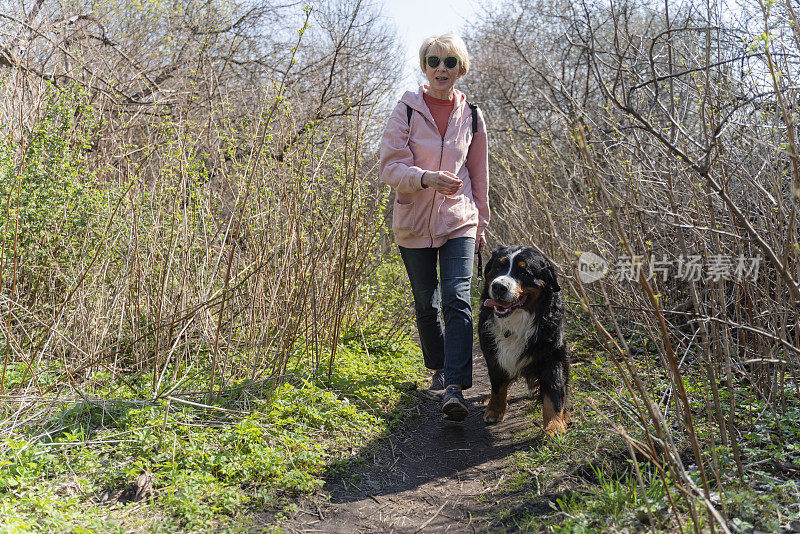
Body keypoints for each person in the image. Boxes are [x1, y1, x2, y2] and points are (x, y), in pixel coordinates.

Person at [379, 34, 489, 422]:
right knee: (427, 303)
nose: (441, 68)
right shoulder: (406, 110)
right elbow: (389, 167)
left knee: (457, 297)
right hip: (412, 221)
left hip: (459, 218)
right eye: (433, 60)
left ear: (461, 68)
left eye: (449, 61)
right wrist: (425, 178)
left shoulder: (472, 116)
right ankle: (439, 368)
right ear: (424, 67)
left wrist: (480, 222)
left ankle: (455, 387)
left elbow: (478, 174)